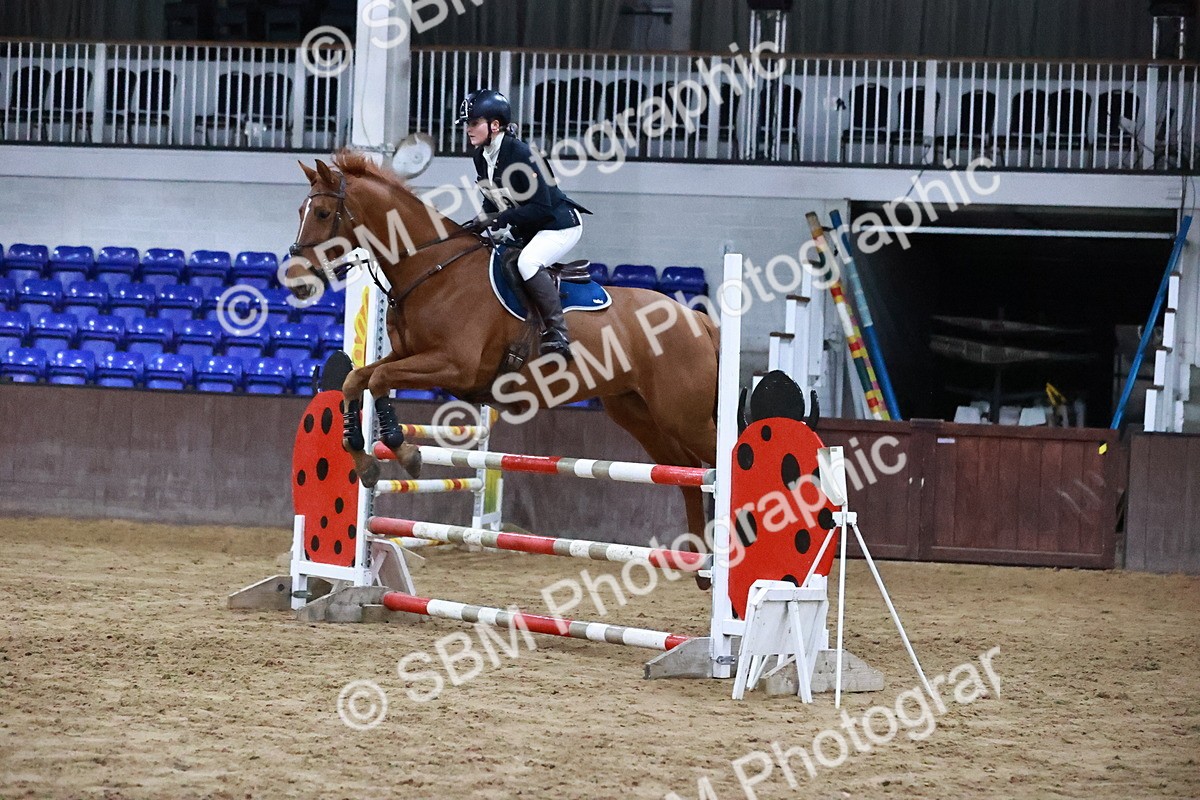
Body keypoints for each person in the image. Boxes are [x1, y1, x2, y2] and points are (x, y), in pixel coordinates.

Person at [458, 89, 590, 360]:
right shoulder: (480, 157)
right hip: (530, 228)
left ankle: (558, 333)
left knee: (527, 263)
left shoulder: (522, 154)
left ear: (495, 125)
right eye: (467, 124)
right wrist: (478, 222)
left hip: (559, 225)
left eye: (474, 123)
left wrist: (501, 219)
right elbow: (493, 198)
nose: (468, 129)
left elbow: (541, 206)